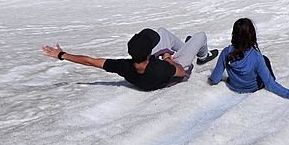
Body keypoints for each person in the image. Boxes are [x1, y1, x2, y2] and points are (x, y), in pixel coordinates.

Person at [42, 28, 218, 92]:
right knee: (200, 36)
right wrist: (166, 57)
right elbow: (180, 71)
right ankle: (203, 56)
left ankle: (183, 47)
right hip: (173, 68)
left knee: (162, 32)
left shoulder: (125, 66)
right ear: (150, 53)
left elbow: (91, 61)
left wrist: (61, 55)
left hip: (151, 71)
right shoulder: (160, 68)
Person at [209, 18, 289, 102]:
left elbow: (215, 79)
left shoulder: (226, 52)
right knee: (265, 60)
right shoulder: (256, 56)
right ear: (251, 35)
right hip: (253, 87)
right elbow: (270, 84)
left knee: (262, 60)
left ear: (234, 34)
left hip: (234, 86)